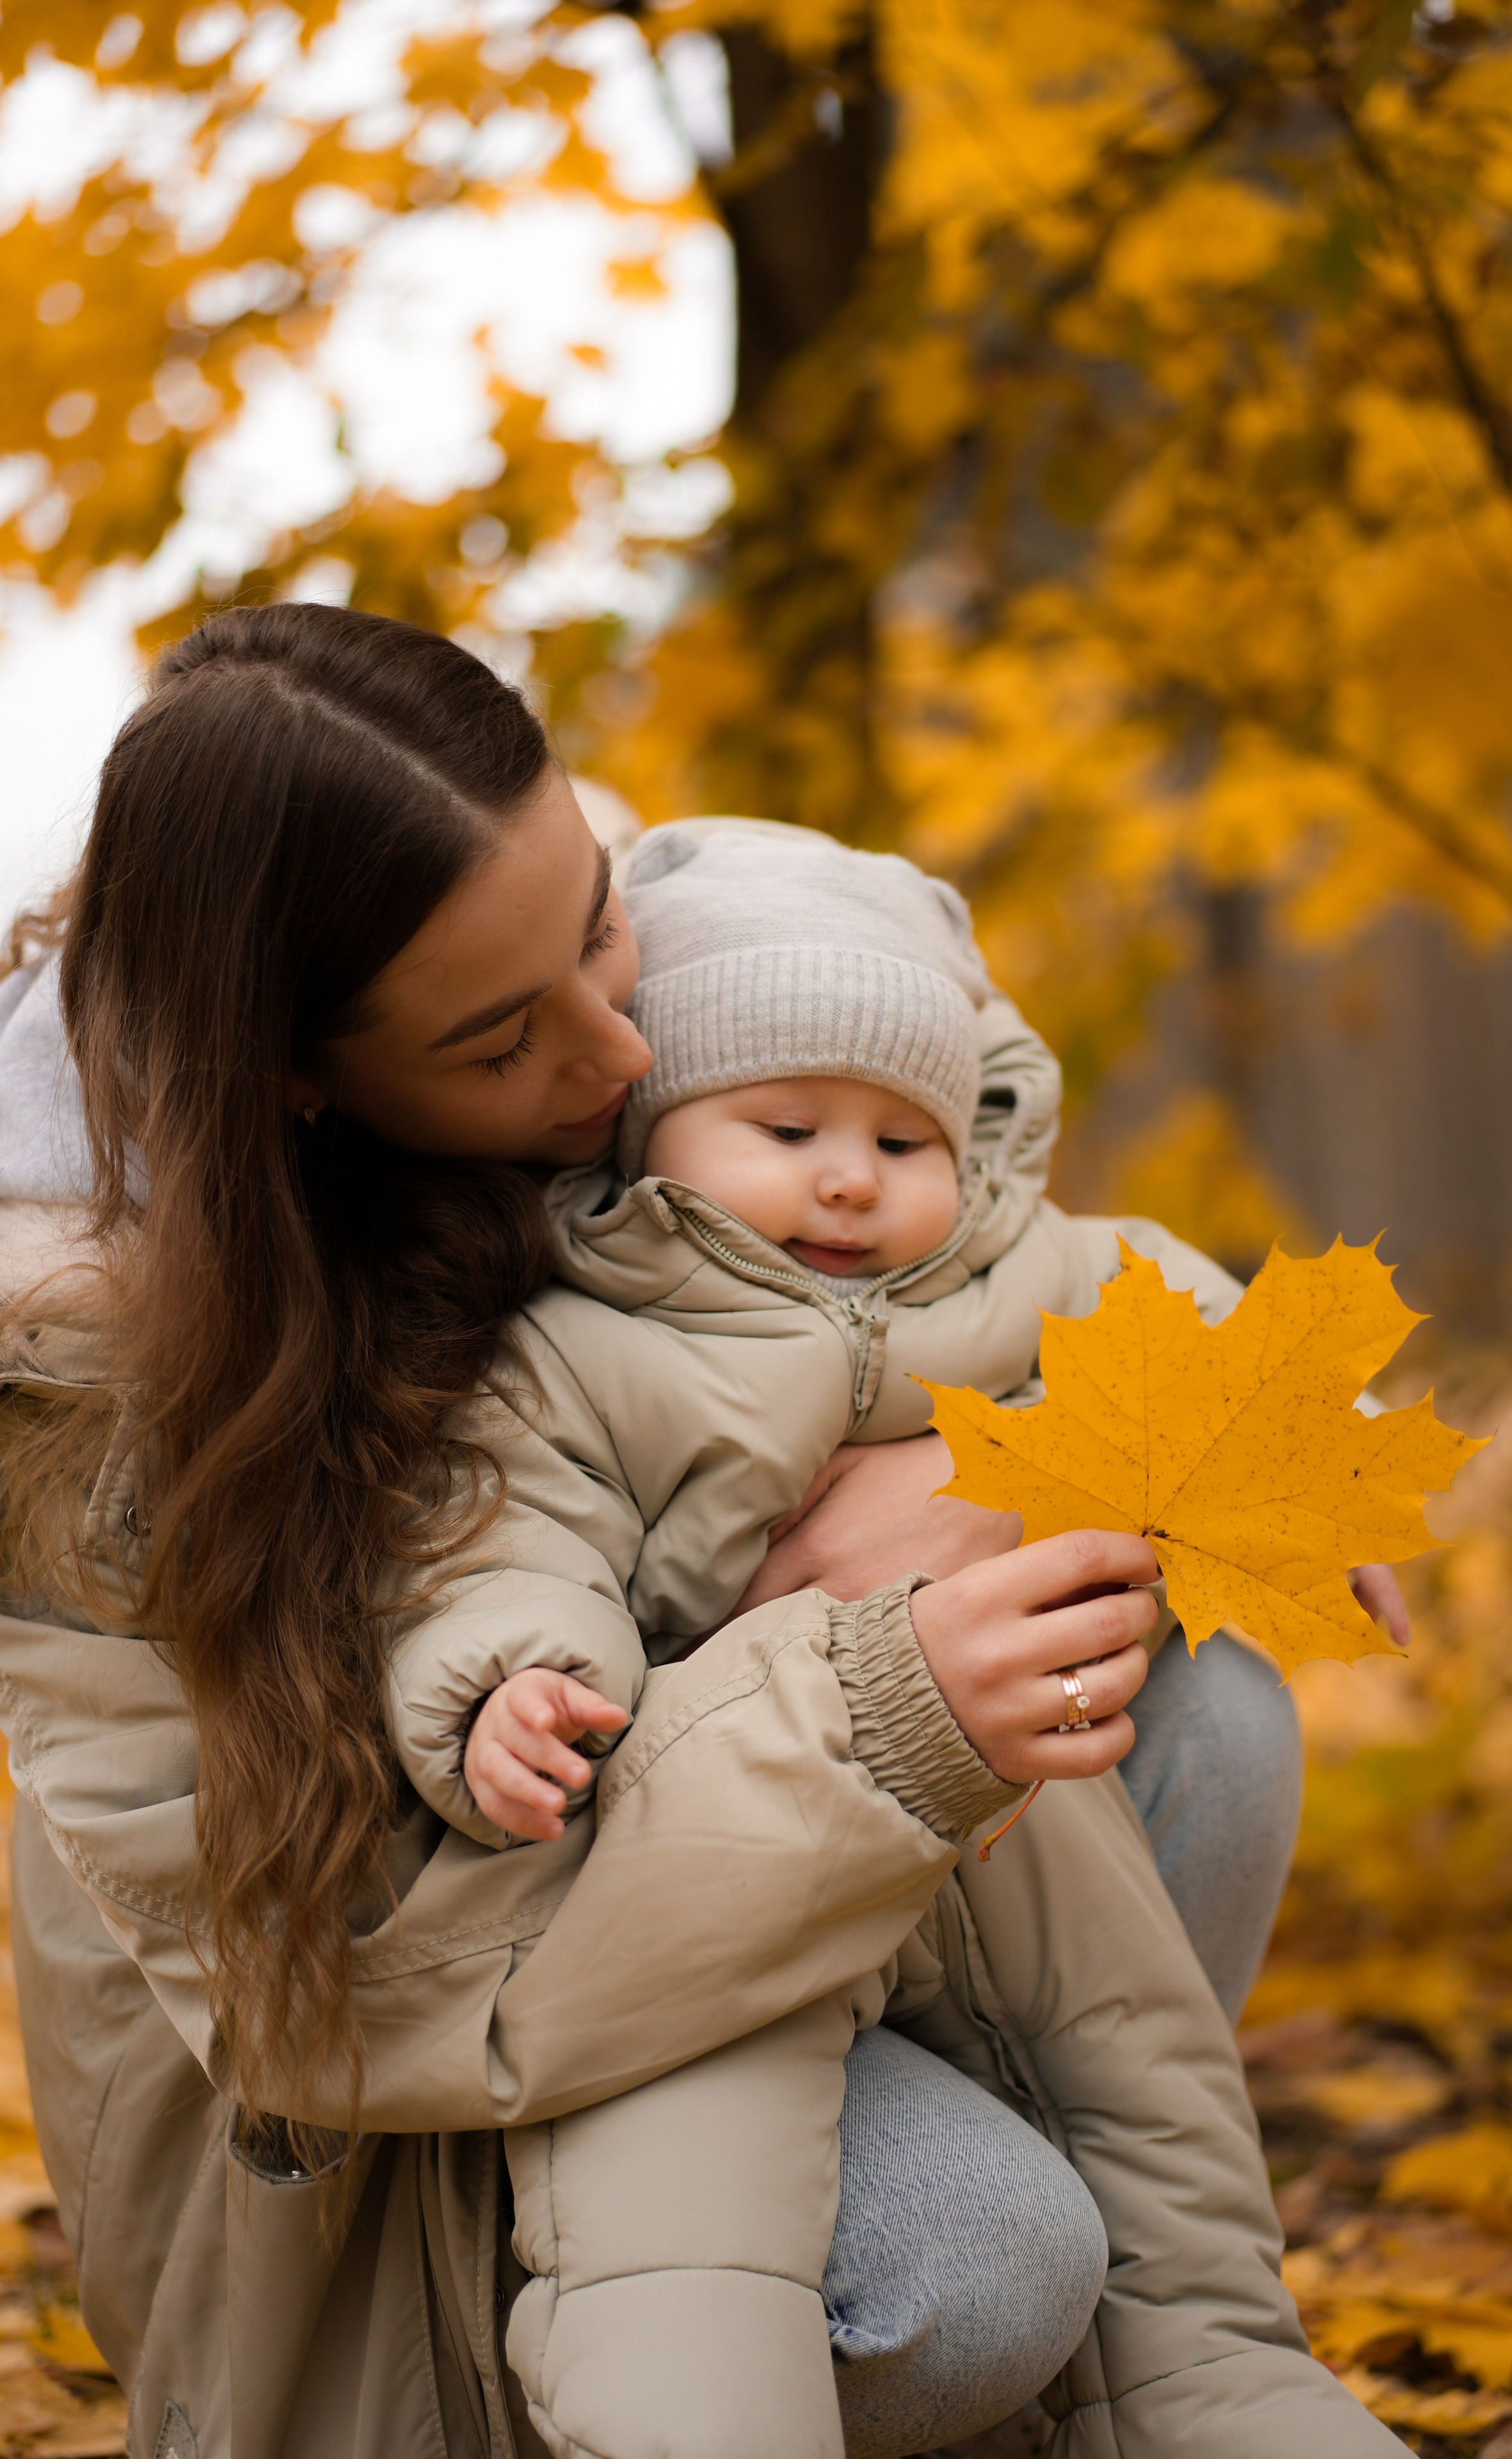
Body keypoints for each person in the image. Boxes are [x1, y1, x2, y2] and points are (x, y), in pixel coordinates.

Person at [0, 602, 1408, 2459]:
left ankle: (1154, 2356)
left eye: (596, 924)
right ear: (300, 1078)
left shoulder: (661, 1026)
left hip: (768, 1893)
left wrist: (1005, 1480)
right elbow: (362, 1989)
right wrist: (854, 1675)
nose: (614, 1052)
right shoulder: (90, 1411)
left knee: (1196, 1692)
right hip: (419, 2160)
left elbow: (981, 1280)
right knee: (975, 2263)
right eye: (508, 1038)